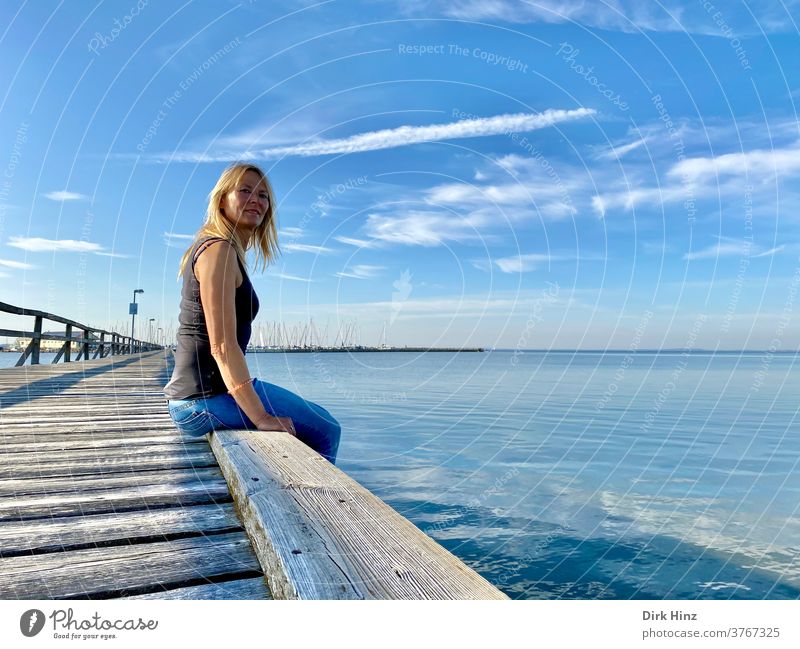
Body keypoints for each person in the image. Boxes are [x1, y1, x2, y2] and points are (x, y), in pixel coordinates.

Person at [163, 162, 341, 464]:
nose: (256, 200)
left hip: (204, 396)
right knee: (325, 430)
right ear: (222, 200)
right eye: (244, 190)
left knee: (321, 418)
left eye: (263, 195)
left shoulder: (225, 250)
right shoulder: (218, 250)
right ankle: (314, 506)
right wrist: (260, 416)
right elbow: (221, 347)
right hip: (200, 401)